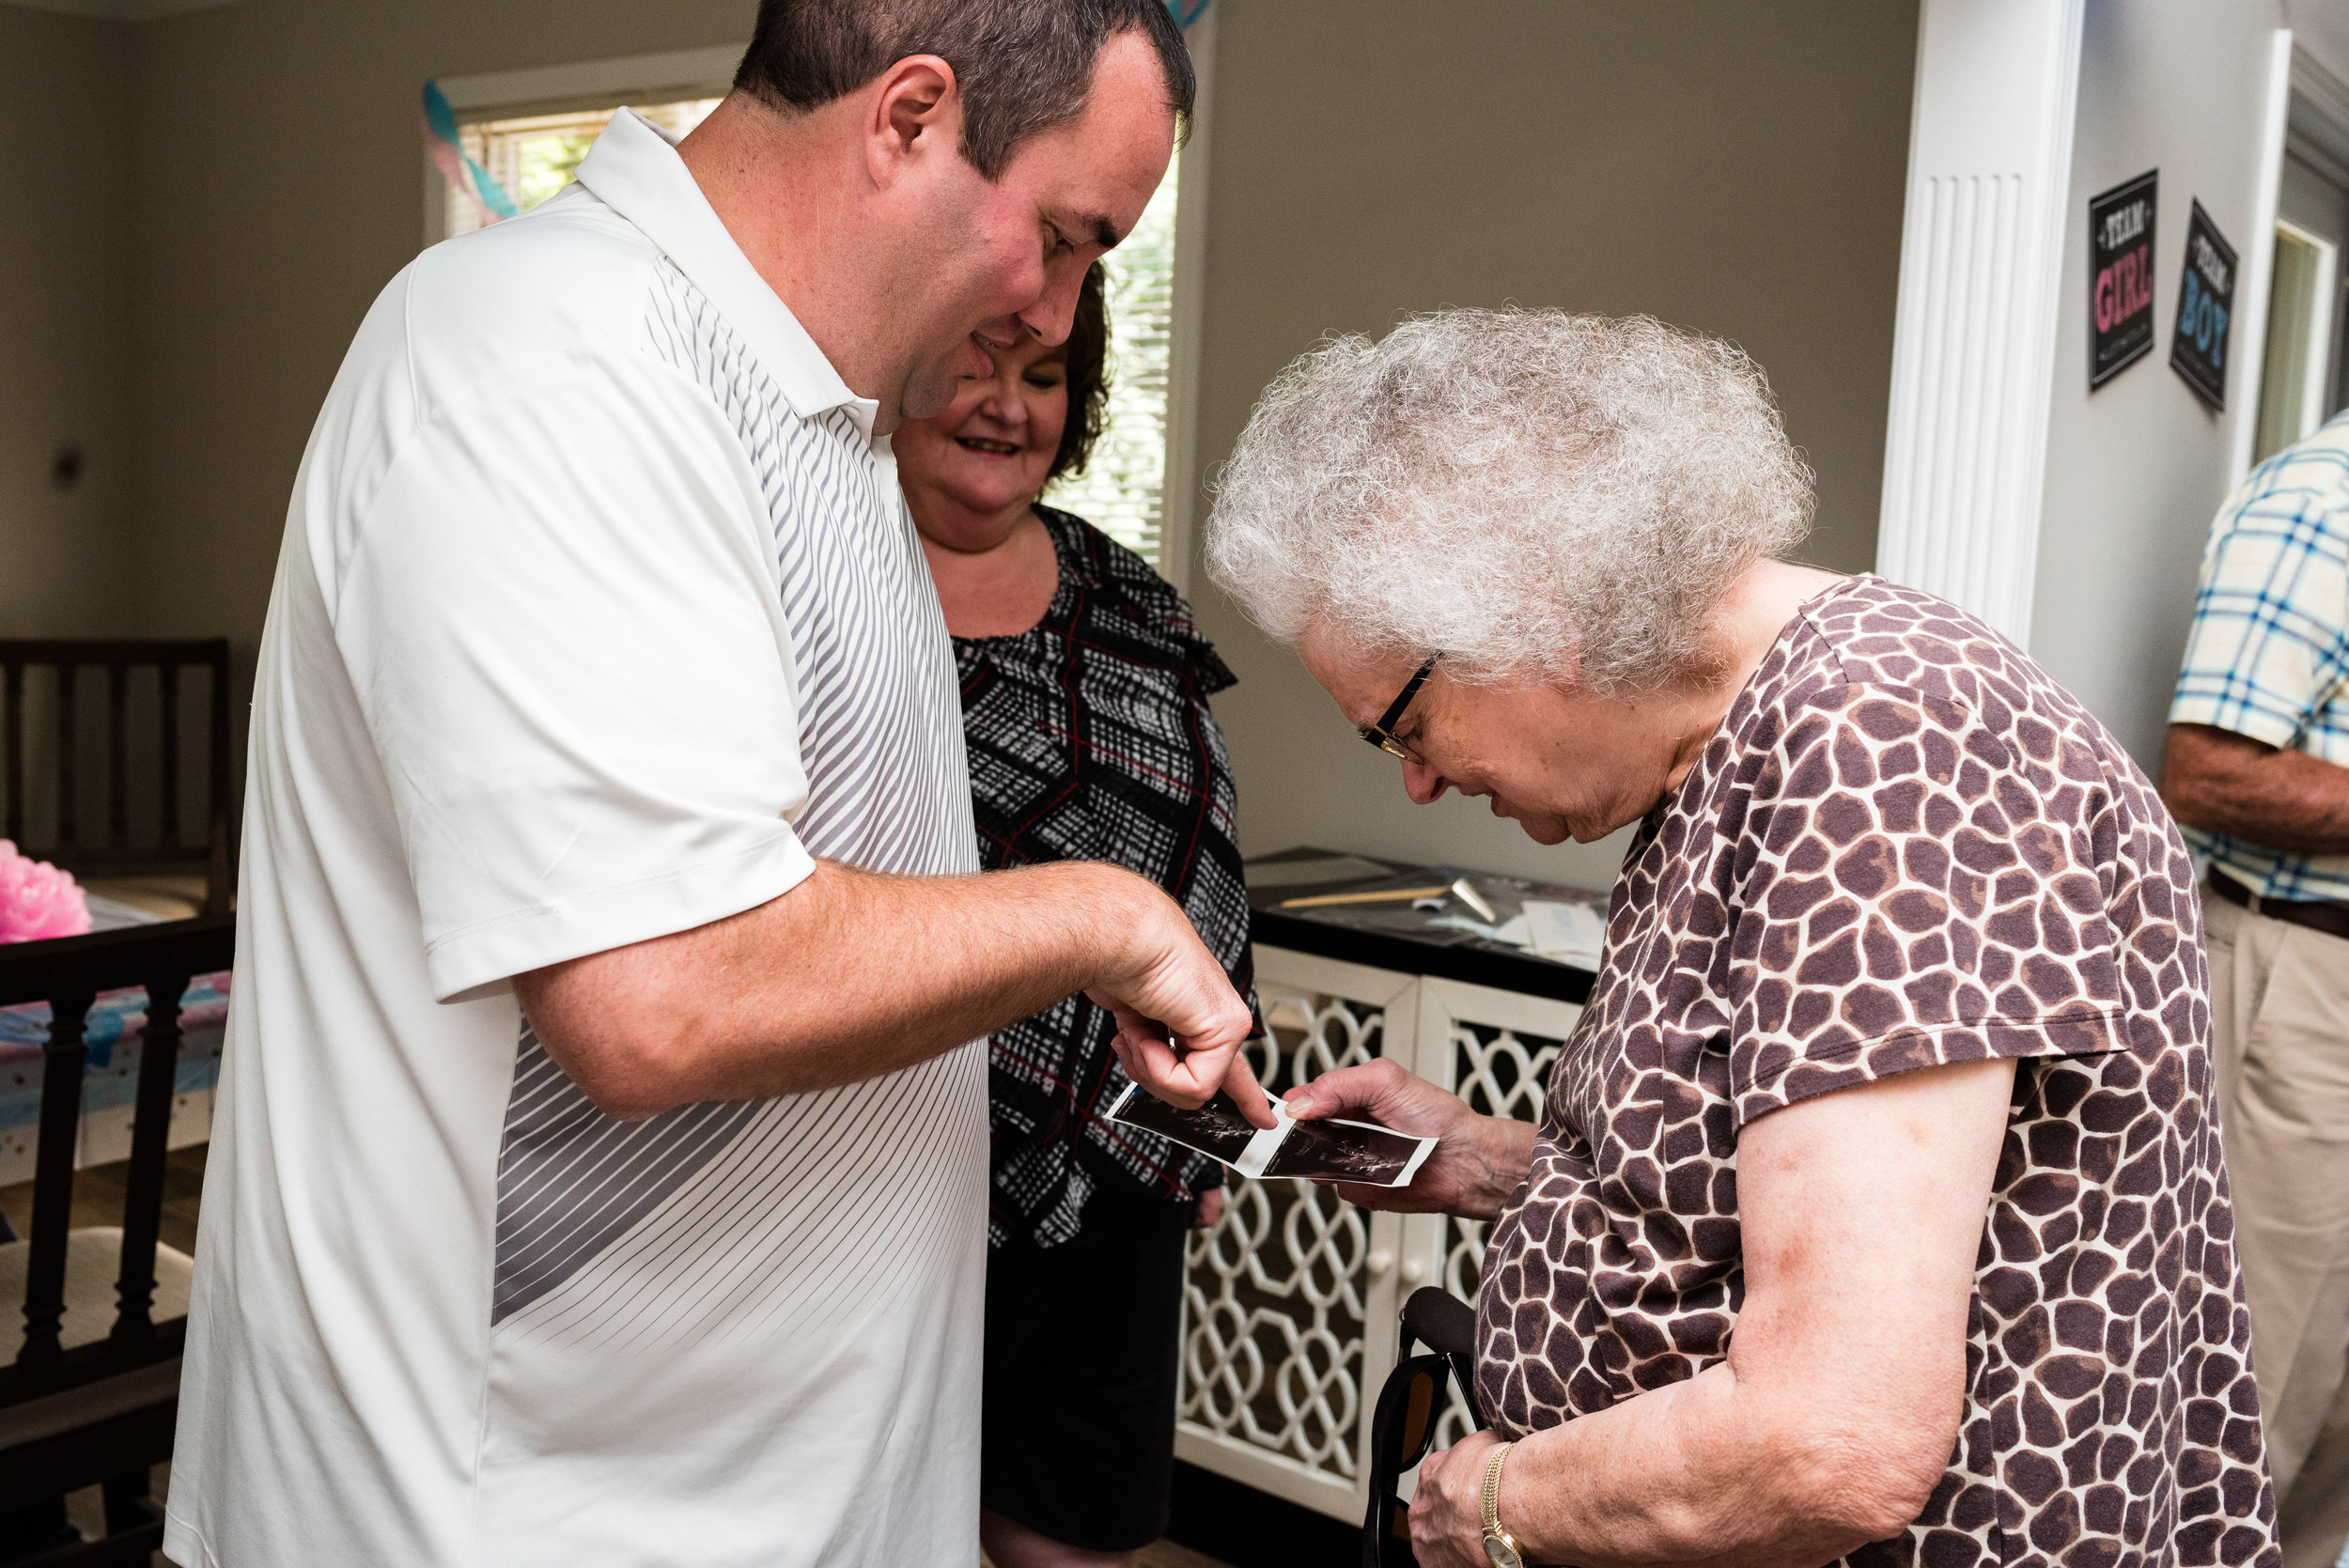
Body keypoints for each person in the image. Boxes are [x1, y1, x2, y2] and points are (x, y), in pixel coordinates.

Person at [163, 8, 1273, 1567]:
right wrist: (1102, 917)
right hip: (526, 1504)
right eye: (1069, 237)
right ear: (906, 119)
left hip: (773, 1479)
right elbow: (662, 986)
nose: (1056, 306)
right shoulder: (561, 365)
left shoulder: (817, 412)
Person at [1181, 307, 2280, 1568]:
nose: (1415, 782)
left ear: (1533, 618)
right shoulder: (1742, 752)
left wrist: (1493, 1505)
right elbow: (1744, 1202)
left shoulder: (1885, 742)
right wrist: (1487, 1162)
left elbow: (1829, 1440)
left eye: (1401, 726)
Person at [894, 261, 1252, 1568]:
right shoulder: (824, 586)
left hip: (1119, 1172)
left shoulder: (1130, 594)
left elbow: (1196, 844)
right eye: (974, 369)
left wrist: (1200, 1122)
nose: (1007, 407)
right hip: (891, 1166)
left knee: (1077, 1531)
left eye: (1041, 376)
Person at [2160, 408, 2349, 1568]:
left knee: (2335, 1409)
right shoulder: (2323, 503)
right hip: (2307, 985)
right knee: (2255, 1397)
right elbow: (2207, 769)